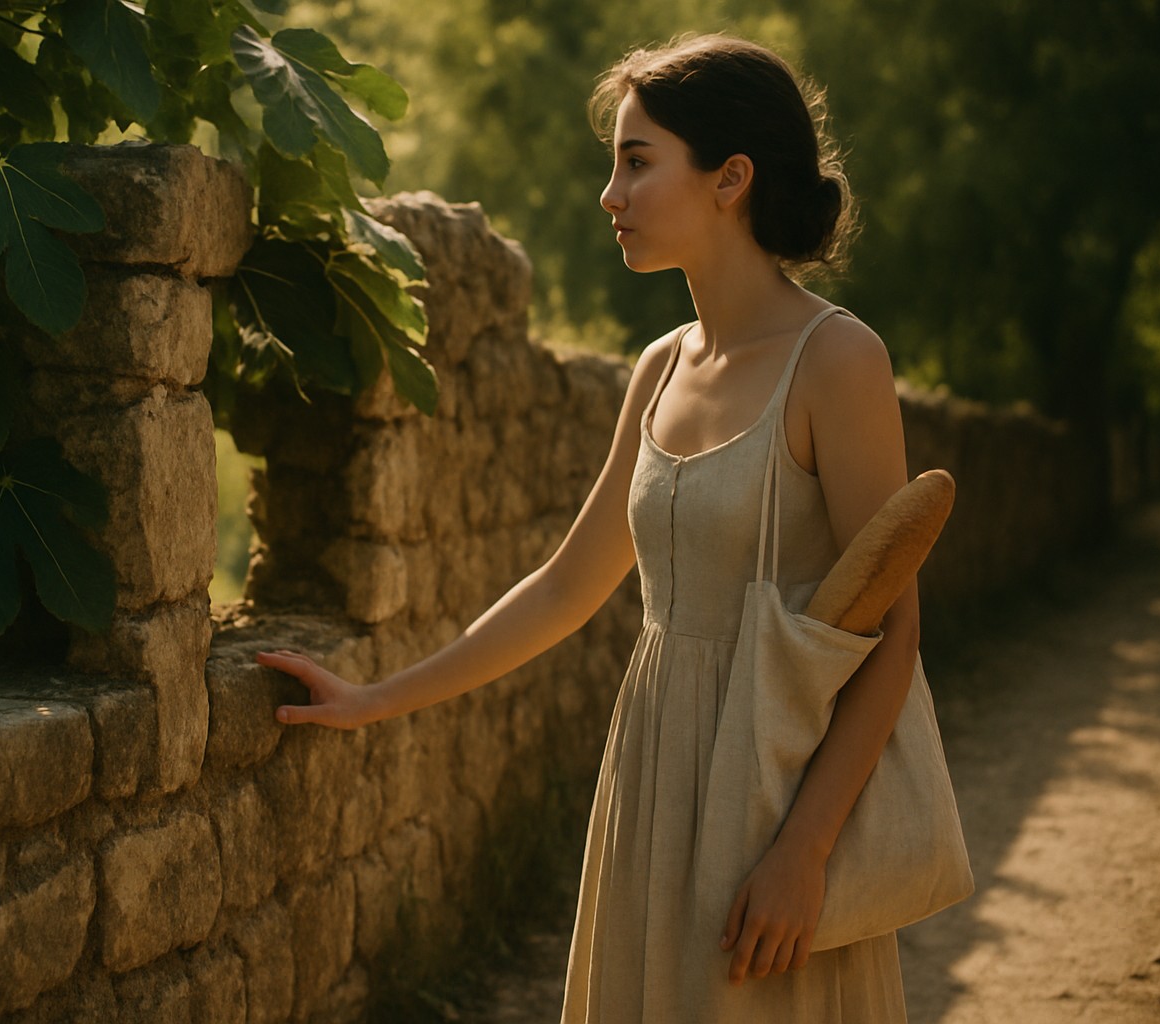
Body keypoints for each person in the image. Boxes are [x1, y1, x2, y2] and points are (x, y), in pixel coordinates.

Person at [255, 32, 916, 1022]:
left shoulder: (839, 359)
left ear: (731, 177)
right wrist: (374, 699)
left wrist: (805, 850)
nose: (610, 194)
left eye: (637, 162)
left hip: (778, 783)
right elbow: (569, 587)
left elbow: (892, 631)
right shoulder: (657, 368)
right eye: (614, 162)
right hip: (652, 773)